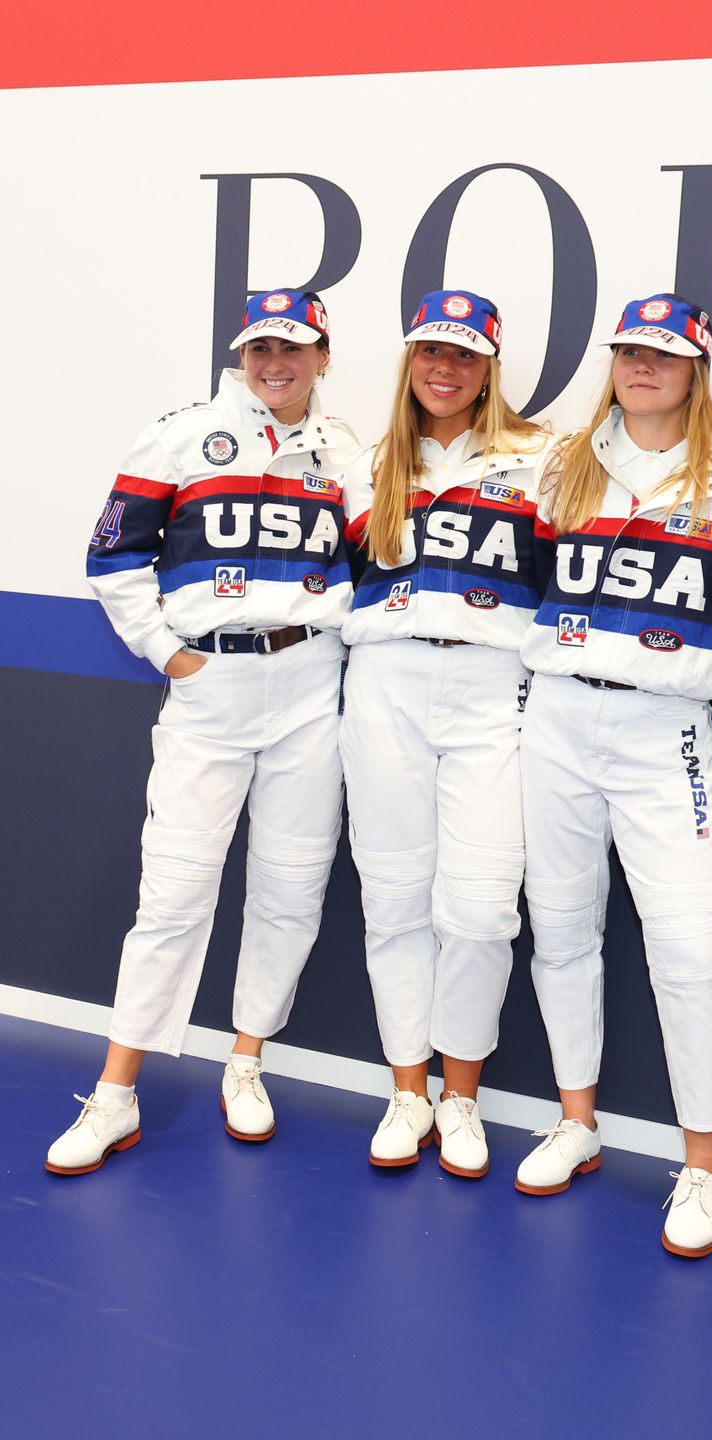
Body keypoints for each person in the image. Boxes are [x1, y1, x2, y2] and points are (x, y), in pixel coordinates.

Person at [46, 289, 360, 1174]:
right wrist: (167, 652)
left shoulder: (347, 451)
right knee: (174, 896)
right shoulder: (181, 433)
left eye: (293, 350)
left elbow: (374, 560)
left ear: (323, 358)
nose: (274, 364)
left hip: (310, 684)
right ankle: (114, 1094)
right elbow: (111, 553)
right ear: (241, 354)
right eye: (260, 348)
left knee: (291, 888)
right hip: (211, 687)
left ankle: (246, 1061)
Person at [514, 294, 712, 1257]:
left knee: (686, 949)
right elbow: (534, 584)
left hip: (665, 724)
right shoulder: (565, 460)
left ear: (697, 368)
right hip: (555, 713)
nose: (643, 365)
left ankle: (701, 1163)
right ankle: (575, 1119)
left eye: (664, 353)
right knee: (560, 927)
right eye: (629, 350)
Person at [340, 289, 556, 1179]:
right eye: (431, 350)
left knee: (478, 907)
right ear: (409, 359)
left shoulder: (542, 460)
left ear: (490, 368)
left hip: (491, 684)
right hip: (385, 680)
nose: (444, 368)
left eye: (464, 355)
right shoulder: (368, 465)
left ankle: (459, 1096)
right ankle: (407, 1090)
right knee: (392, 897)